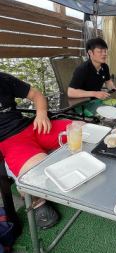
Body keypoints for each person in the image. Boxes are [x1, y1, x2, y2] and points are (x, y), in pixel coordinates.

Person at [0, 72, 72, 229]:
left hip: (32, 126)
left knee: (81, 129)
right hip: (10, 141)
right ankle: (37, 201)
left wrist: (41, 113)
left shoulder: (3, 78)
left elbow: (36, 94)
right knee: (38, 173)